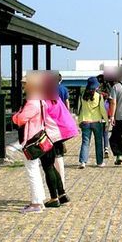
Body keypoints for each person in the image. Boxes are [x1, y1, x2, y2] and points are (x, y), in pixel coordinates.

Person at [12, 72, 56, 213]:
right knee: (35, 170)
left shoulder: (32, 102)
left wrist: (16, 115)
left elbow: (19, 119)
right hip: (38, 138)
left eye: (25, 84)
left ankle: (36, 203)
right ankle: (38, 201)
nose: (24, 87)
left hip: (31, 140)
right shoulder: (41, 100)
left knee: (32, 172)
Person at [43, 72, 79, 205]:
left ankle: (54, 198)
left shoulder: (44, 100)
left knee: (48, 166)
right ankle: (62, 193)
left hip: (52, 135)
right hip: (61, 133)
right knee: (55, 163)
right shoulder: (56, 98)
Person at [77, 76, 108, 168]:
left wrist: (79, 121)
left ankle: (83, 162)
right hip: (96, 122)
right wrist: (106, 122)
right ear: (96, 87)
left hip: (85, 121)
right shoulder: (99, 96)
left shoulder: (82, 95)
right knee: (99, 142)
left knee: (85, 142)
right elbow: (102, 110)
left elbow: (79, 109)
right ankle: (99, 162)